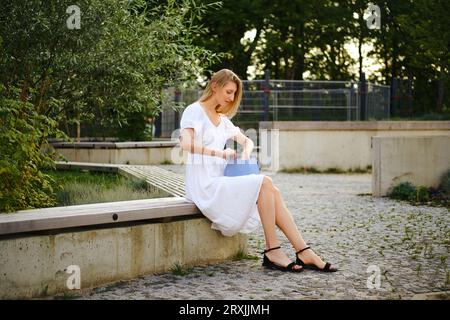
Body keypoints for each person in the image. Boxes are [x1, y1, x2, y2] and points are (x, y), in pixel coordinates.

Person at [179, 69, 337, 273]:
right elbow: (185, 144)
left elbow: (248, 141)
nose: (231, 97)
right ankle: (274, 250)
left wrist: (246, 152)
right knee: (264, 183)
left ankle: (302, 250)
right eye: (228, 91)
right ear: (215, 86)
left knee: (270, 189)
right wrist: (220, 153)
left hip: (220, 181)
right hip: (204, 186)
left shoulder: (222, 119)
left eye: (234, 93)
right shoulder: (194, 110)